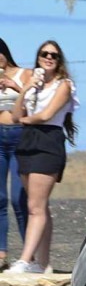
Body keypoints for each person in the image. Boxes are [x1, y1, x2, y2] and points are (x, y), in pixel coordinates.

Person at [9, 40, 78, 274]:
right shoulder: (35, 86)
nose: (48, 57)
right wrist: (26, 89)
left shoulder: (64, 85)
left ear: (59, 61)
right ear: (38, 57)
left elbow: (47, 115)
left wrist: (24, 120)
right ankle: (43, 262)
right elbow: (18, 112)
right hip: (28, 142)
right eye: (44, 54)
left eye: (54, 55)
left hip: (48, 142)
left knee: (34, 207)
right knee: (40, 207)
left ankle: (25, 259)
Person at [0, 38, 30, 271]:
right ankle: (1, 253)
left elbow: (34, 104)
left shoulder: (24, 74)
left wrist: (14, 86)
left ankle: (29, 256)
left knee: (18, 198)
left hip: (19, 134)